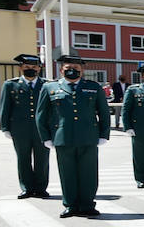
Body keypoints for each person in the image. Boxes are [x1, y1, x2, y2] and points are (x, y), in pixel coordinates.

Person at [36, 54, 110, 218]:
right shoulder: (50, 88)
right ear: (61, 70)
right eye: (68, 69)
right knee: (67, 173)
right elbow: (41, 115)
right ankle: (70, 205)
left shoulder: (93, 87)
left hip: (89, 137)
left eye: (76, 69)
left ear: (82, 71)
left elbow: (104, 112)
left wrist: (104, 134)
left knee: (89, 173)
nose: (72, 71)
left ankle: (87, 204)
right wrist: (45, 137)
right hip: (63, 137)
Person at [0, 53, 50, 199]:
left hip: (41, 129)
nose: (30, 69)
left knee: (42, 159)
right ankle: (26, 187)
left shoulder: (46, 84)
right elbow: (5, 107)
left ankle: (41, 188)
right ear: (21, 68)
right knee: (23, 158)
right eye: (27, 66)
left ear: (39, 69)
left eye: (34, 67)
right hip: (20, 129)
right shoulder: (10, 84)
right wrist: (5, 127)